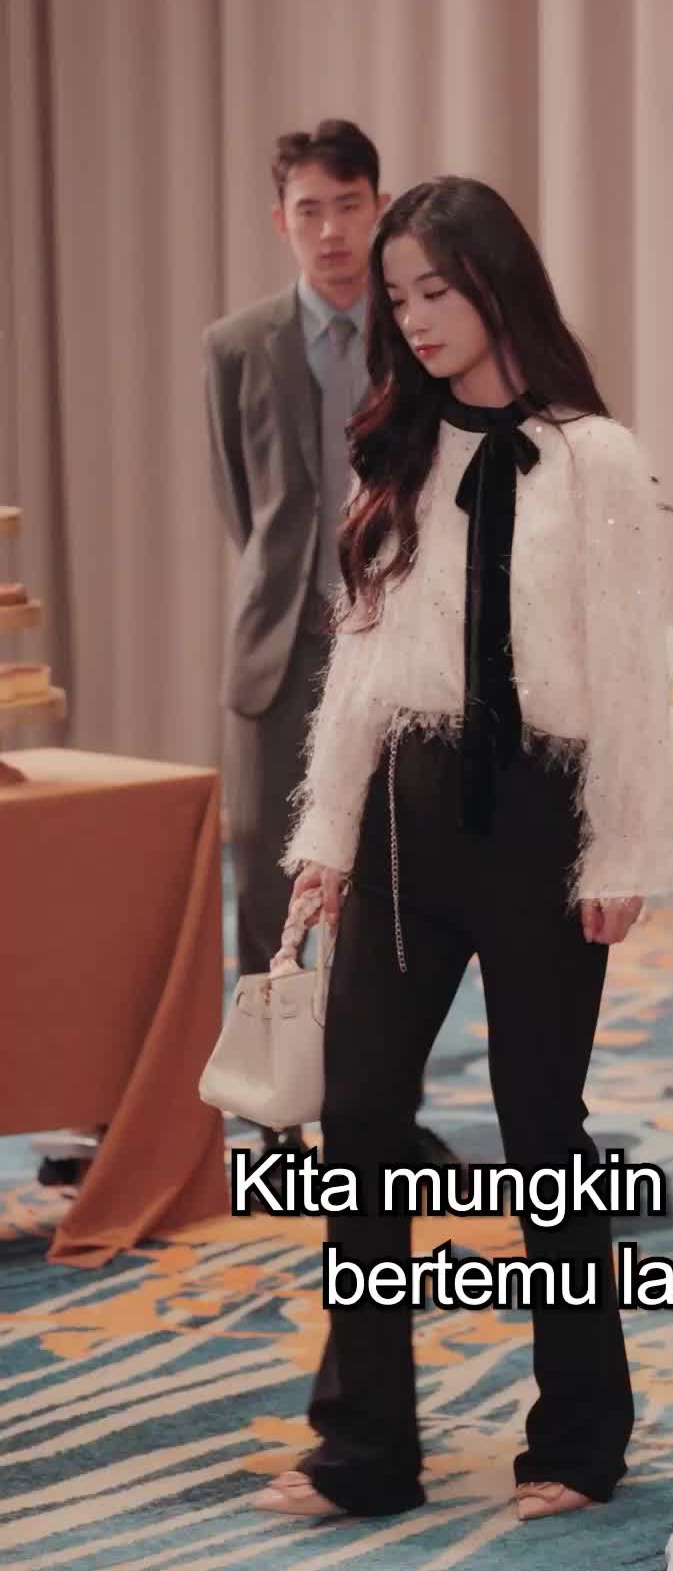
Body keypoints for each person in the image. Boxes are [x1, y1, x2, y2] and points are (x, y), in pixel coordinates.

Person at [250, 175, 673, 1523]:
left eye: (436, 289)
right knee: (361, 1111)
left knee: (545, 1127)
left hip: (544, 817)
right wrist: (326, 831)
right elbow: (361, 663)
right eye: (399, 298)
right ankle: (366, 1446)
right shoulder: (400, 449)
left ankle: (578, 1437)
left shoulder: (596, 458)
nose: (417, 319)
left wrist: (623, 849)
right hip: (406, 811)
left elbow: (630, 671)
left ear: (497, 283)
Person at [204, 120, 458, 1173]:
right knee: (271, 883)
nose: (331, 230)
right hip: (282, 649)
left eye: (350, 206)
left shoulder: (418, 329)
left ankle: (375, 1113)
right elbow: (243, 502)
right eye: (309, 210)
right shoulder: (237, 346)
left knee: (393, 886)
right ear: (282, 221)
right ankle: (276, 1116)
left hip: (400, 642)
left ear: (379, 208)